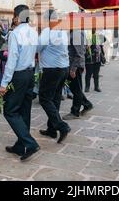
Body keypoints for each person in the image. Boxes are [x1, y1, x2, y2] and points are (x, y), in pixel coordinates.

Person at [0, 4, 40, 161]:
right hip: (30, 73)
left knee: (10, 110)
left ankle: (29, 143)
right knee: (24, 109)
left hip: (19, 75)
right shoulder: (34, 32)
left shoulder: (15, 34)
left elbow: (12, 60)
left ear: (16, 17)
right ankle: (20, 144)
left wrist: (4, 83)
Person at [37, 9, 71, 143]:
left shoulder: (47, 31)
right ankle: (51, 129)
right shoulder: (62, 30)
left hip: (52, 69)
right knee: (55, 98)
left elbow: (37, 47)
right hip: (63, 68)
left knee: (44, 98)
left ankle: (61, 126)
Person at [63, 29, 94, 120]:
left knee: (76, 89)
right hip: (73, 65)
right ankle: (87, 104)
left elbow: (79, 53)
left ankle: (75, 112)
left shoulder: (76, 33)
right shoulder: (75, 32)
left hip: (75, 66)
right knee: (75, 88)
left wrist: (73, 69)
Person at [85, 28, 102, 93]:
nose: (94, 29)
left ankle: (96, 86)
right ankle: (87, 87)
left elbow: (104, 39)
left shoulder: (98, 36)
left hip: (97, 58)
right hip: (89, 58)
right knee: (88, 74)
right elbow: (86, 47)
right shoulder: (87, 37)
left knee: (96, 74)